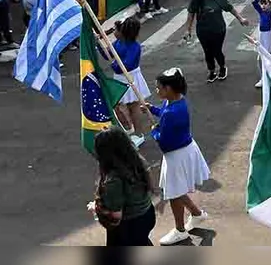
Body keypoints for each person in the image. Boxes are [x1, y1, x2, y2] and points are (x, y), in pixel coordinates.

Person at [143, 68, 211, 245]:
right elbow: (164, 114)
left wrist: (154, 131)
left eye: (158, 88)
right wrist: (152, 109)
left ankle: (180, 230)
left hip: (176, 154)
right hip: (184, 150)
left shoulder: (171, 113)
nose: (156, 91)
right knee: (177, 190)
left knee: (174, 193)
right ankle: (196, 214)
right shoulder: (175, 102)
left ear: (168, 89)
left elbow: (164, 142)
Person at [89, 127, 156, 246]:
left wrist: (96, 208)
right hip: (147, 214)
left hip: (129, 226)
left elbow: (115, 216)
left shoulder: (113, 180)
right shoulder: (137, 161)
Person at [184, 0, 250, 83]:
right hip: (203, 31)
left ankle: (222, 67)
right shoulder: (196, 0)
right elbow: (190, 15)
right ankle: (212, 71)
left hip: (218, 30)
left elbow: (230, 8)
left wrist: (240, 18)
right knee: (207, 52)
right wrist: (188, 30)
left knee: (216, 50)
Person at [107, 17, 150, 145]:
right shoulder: (118, 43)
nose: (113, 31)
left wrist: (115, 65)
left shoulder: (134, 46)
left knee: (133, 107)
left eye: (115, 29)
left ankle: (139, 133)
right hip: (119, 78)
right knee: (117, 106)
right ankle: (128, 128)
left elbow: (128, 64)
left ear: (122, 31)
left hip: (131, 77)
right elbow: (107, 54)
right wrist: (100, 44)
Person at [251, 0, 271, 88]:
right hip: (261, 35)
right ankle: (263, 78)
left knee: (268, 57)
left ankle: (270, 78)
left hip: (269, 35)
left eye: (266, 3)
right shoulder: (261, 12)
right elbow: (254, 2)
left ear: (270, 5)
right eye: (262, 3)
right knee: (260, 58)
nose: (263, 5)